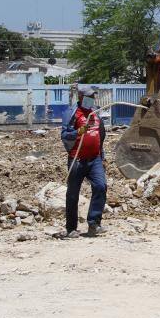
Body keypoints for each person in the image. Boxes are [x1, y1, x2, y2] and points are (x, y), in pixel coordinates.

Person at [55, 89, 107, 238]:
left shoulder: (95, 112)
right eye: (89, 96)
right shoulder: (72, 113)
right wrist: (78, 132)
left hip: (95, 159)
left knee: (100, 186)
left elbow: (101, 133)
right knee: (73, 193)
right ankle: (71, 228)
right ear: (80, 97)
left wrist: (102, 155)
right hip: (77, 159)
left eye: (93, 96)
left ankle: (94, 223)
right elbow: (64, 135)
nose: (91, 99)